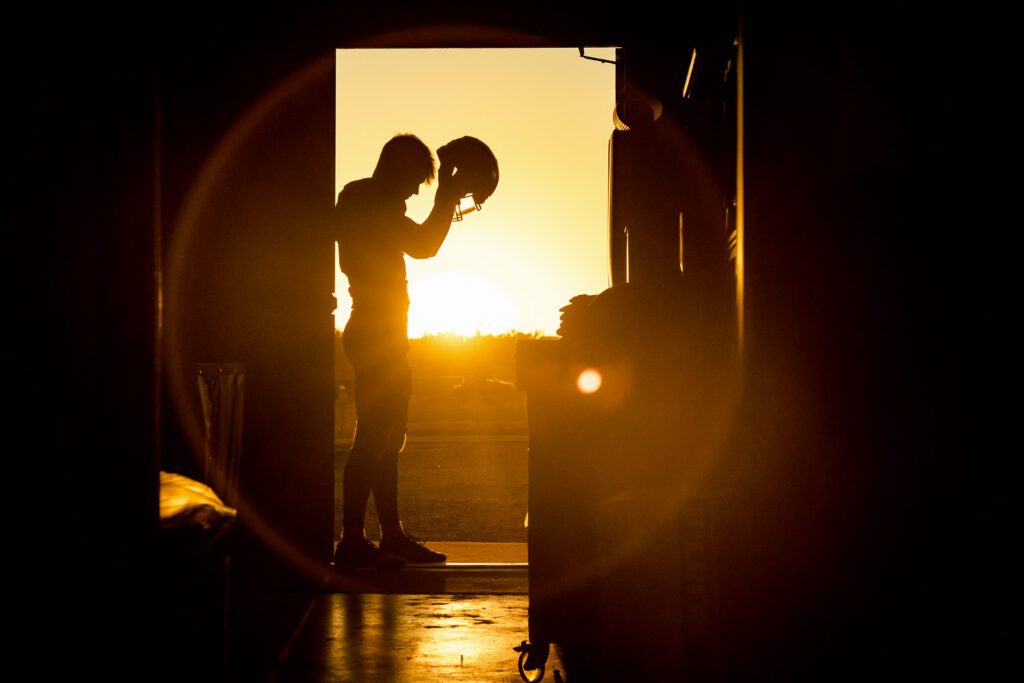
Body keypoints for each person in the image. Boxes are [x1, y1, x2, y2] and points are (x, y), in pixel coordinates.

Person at [333, 134, 468, 569]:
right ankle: (353, 542)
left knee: (387, 441)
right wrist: (446, 197)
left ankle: (388, 536)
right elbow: (425, 245)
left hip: (383, 334)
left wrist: (445, 198)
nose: (414, 191)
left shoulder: (363, 199)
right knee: (373, 440)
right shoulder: (366, 200)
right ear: (397, 169)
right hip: (376, 334)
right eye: (415, 180)